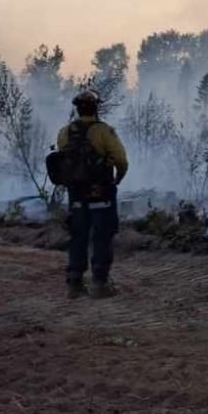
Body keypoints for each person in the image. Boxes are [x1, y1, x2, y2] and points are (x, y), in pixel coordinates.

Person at [57, 90, 129, 299]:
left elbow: (64, 161)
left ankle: (74, 283)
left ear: (77, 108)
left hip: (76, 194)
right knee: (102, 235)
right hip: (101, 192)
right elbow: (121, 160)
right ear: (97, 107)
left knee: (78, 235)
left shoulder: (65, 132)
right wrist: (119, 178)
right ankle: (99, 283)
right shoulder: (104, 131)